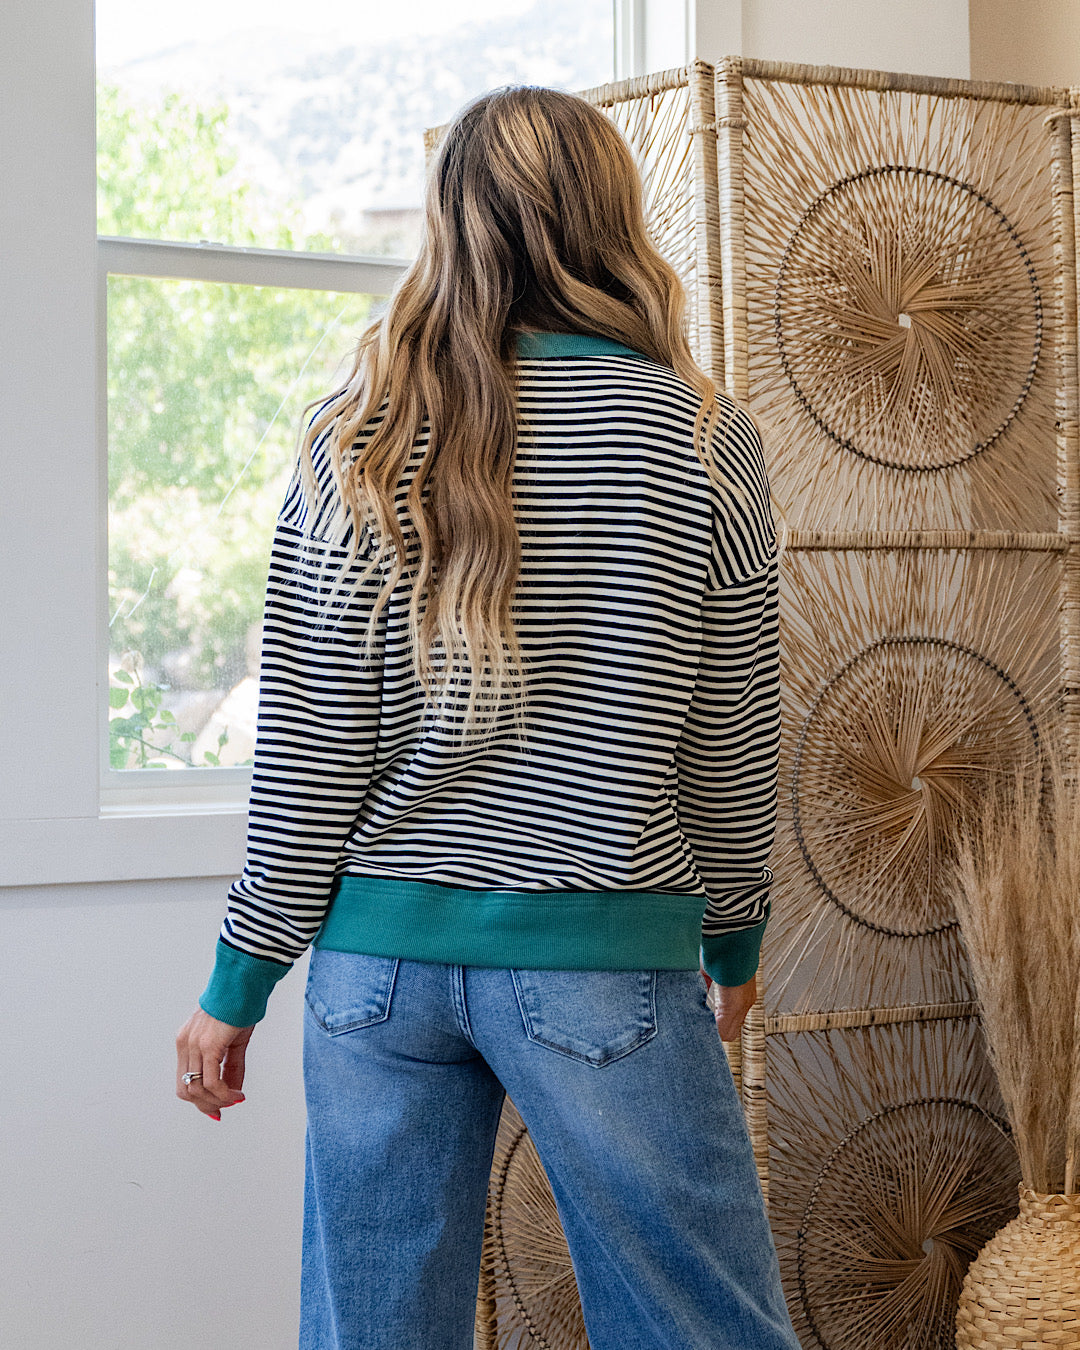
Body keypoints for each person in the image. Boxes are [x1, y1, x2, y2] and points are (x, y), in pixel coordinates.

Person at [175, 83, 801, 1350]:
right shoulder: (699, 436)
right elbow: (733, 737)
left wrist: (241, 979)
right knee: (702, 1329)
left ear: (450, 221)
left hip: (374, 977)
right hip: (602, 958)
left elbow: (311, 745)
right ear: (610, 218)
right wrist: (735, 939)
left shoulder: (360, 436)